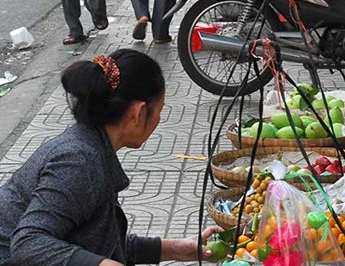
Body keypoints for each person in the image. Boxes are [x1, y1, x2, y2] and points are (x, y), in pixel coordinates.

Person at [0, 49, 222, 265]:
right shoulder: (79, 161)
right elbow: (28, 242)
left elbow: (97, 241)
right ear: (138, 112)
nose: (159, 119)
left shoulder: (91, 145)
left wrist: (175, 249)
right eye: (159, 110)